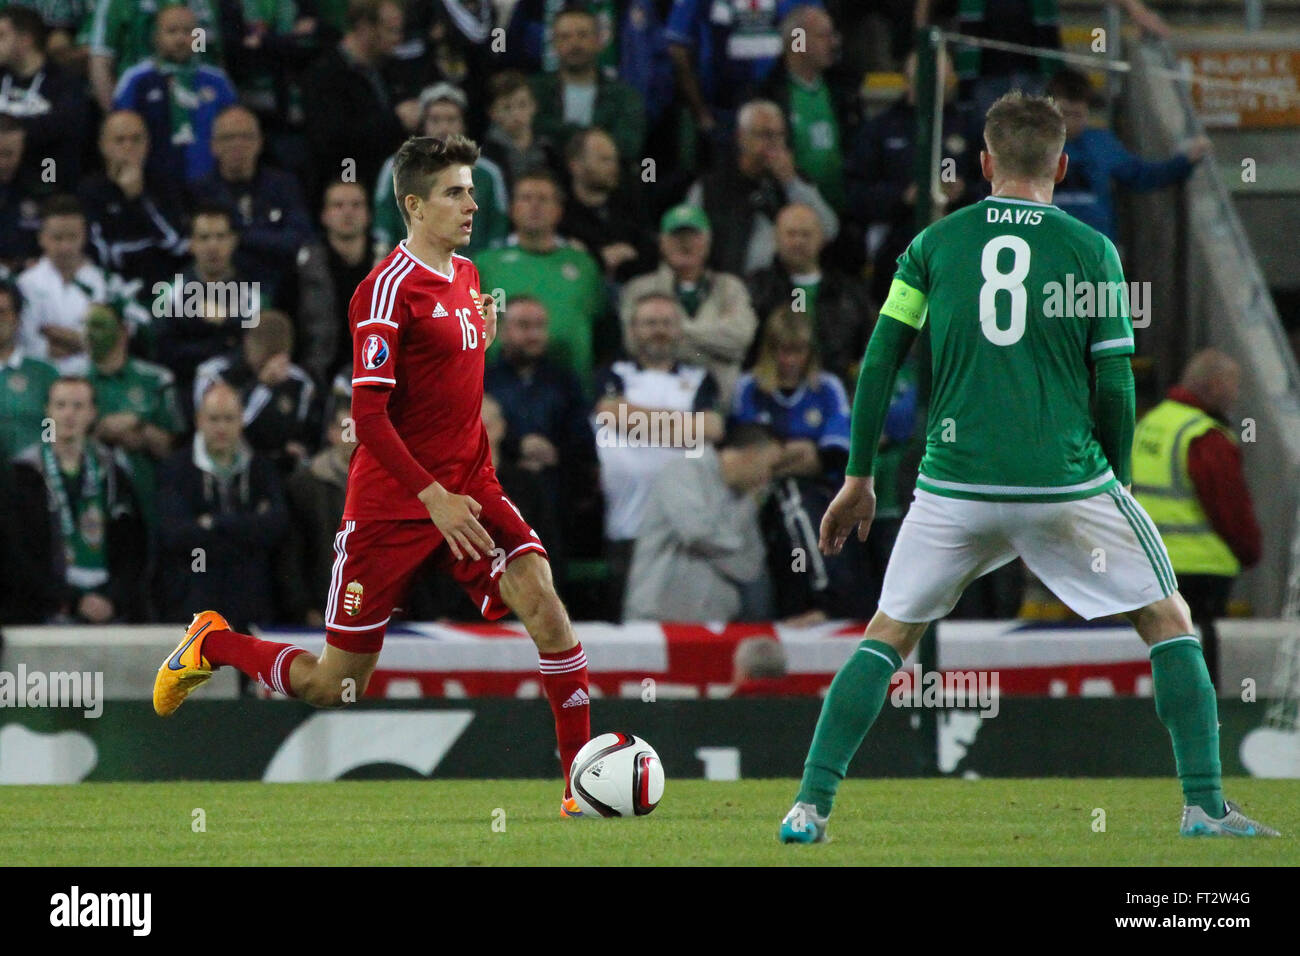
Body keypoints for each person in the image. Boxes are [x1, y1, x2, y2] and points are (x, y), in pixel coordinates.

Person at [779, 92, 1279, 843]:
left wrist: (859, 475)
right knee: (1166, 620)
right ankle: (1204, 806)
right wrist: (1115, 483)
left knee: (887, 635)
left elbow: (882, 356)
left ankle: (809, 807)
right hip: (1063, 483)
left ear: (983, 164)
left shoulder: (933, 245)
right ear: (1063, 164)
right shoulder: (1090, 250)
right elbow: (1115, 381)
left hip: (954, 485)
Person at [152, 134, 595, 819]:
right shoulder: (383, 290)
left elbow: (447, 377)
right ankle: (212, 642)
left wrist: (481, 339)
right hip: (394, 505)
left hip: (471, 488)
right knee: (334, 685)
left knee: (548, 611)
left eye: (473, 190)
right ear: (415, 205)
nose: (472, 204)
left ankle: (580, 789)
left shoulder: (470, 277)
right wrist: (431, 497)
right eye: (455, 192)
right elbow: (368, 416)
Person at [1133, 349, 1261, 688]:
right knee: (1202, 666)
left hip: (1152, 565)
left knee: (1163, 653)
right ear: (1215, 385)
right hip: (1202, 571)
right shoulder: (1205, 436)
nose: (1235, 396)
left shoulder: (1148, 425)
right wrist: (1249, 551)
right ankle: (1204, 732)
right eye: (1233, 386)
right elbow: (1229, 509)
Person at [595, 290, 724, 617]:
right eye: (650, 322)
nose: (659, 330)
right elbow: (610, 413)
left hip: (682, 529)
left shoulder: (700, 378)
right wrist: (683, 428)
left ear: (680, 329)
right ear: (633, 329)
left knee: (683, 623)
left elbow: (712, 429)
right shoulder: (613, 373)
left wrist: (635, 421)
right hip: (625, 525)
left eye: (667, 322)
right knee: (624, 627)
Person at [11, 375, 145, 623]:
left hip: (108, 609)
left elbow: (133, 547)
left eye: (78, 406)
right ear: (47, 411)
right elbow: (19, 554)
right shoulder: (24, 473)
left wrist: (113, 597)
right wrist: (68, 599)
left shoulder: (113, 472)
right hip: (46, 612)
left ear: (92, 413)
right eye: (60, 406)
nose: (68, 415)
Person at [156, 380, 288, 630]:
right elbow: (177, 535)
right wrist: (247, 529)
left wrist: (213, 523)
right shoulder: (176, 470)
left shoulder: (262, 469)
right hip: (194, 606)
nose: (221, 428)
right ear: (199, 420)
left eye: (229, 419)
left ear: (241, 421)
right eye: (214, 419)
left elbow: (276, 526)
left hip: (252, 606)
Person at [623, 421, 777, 622]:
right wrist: (731, 547)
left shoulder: (747, 499)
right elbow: (696, 533)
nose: (768, 477)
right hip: (656, 618)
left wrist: (712, 543)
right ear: (749, 454)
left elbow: (752, 566)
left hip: (714, 622)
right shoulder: (682, 471)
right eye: (769, 467)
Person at [484, 295, 598, 554]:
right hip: (502, 493)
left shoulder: (564, 382)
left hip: (556, 494)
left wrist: (555, 453)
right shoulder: (483, 380)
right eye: (524, 326)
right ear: (501, 331)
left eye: (540, 326)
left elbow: (583, 438)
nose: (534, 335)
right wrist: (517, 447)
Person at [475, 169, 606, 394]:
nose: (535, 206)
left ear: (559, 211)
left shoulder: (584, 265)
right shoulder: (485, 264)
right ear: (512, 209)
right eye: (526, 198)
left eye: (544, 199)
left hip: (572, 391)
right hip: (499, 390)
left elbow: (602, 326)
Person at [1047, 68, 1210, 242]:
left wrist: (1184, 161)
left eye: (1077, 115)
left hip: (1095, 246)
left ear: (1087, 113)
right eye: (1064, 113)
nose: (1069, 122)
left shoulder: (1102, 143)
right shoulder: (1034, 144)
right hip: (1048, 243)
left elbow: (1141, 175)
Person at [619, 203, 756, 405]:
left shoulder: (730, 287)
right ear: (662, 243)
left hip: (724, 404)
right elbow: (634, 344)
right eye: (676, 237)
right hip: (656, 407)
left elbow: (741, 338)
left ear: (708, 241)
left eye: (693, 236)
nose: (685, 244)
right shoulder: (639, 289)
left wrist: (674, 331)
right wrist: (715, 348)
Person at [686, 99, 838, 277]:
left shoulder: (796, 180)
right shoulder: (710, 187)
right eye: (765, 135)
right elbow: (690, 242)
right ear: (741, 137)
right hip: (730, 287)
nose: (774, 143)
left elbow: (828, 230)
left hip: (786, 288)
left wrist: (792, 183)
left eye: (779, 135)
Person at [189, 105, 314, 301]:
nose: (237, 144)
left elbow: (300, 239)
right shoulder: (198, 192)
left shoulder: (283, 185)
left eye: (246, 136)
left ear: (260, 142)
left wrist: (240, 235)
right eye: (228, 137)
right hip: (216, 293)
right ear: (213, 146)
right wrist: (263, 238)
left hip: (279, 289)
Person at [372, 82, 509, 256]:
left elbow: (498, 230)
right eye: (435, 120)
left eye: (451, 120)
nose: (444, 128)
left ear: (463, 125)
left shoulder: (488, 174)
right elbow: (383, 226)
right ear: (424, 125)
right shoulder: (397, 168)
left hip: (472, 274)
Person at [82, 303, 186, 531]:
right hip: (89, 503)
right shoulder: (70, 382)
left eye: (99, 326)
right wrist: (100, 431)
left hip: (150, 497)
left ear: (124, 331)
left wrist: (141, 428)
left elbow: (174, 449)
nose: (89, 333)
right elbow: (49, 438)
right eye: (85, 326)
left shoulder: (157, 379)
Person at [299, 0, 412, 207]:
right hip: (348, 188)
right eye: (391, 31)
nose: (399, 39)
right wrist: (395, 121)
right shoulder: (325, 74)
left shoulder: (390, 70)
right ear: (364, 28)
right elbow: (333, 141)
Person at [110, 3, 238, 186]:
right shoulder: (136, 79)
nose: (181, 39)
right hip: (153, 181)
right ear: (156, 37)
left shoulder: (217, 80)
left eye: (188, 32)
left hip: (212, 182)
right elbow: (119, 131)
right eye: (172, 31)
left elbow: (234, 128)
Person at [746, 201, 873, 385]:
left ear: (821, 238)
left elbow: (871, 343)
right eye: (791, 234)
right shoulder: (755, 288)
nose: (798, 241)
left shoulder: (849, 292)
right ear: (776, 238)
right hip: (769, 391)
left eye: (806, 234)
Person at [17, 193, 148, 370]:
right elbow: (24, 338)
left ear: (84, 236)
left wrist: (77, 340)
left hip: (94, 380)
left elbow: (139, 324)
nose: (65, 247)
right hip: (39, 378)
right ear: (41, 237)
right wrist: (85, 342)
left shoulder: (106, 283)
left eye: (72, 237)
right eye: (57, 238)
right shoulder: (24, 284)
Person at [192, 308, 319, 471]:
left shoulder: (300, 383)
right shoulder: (214, 374)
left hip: (277, 466)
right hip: (221, 459)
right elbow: (229, 426)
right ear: (247, 342)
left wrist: (300, 449)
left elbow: (303, 434)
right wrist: (262, 386)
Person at [78, 110, 189, 289]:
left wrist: (138, 199)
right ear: (103, 146)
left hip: (164, 287)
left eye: (136, 139)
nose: (128, 146)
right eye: (120, 140)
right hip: (111, 289)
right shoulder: (90, 191)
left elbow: (178, 244)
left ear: (147, 144)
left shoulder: (165, 185)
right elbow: (94, 251)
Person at [528, 6, 645, 168]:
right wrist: (593, 139)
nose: (574, 43)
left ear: (598, 40)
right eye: (565, 37)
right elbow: (531, 135)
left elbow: (627, 146)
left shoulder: (624, 95)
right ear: (554, 44)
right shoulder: (533, 91)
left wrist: (563, 136)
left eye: (582, 35)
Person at [278, 398, 355, 627]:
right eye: (346, 428)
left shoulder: (391, 484)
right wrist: (303, 607)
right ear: (332, 432)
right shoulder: (305, 485)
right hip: (321, 608)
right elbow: (292, 553)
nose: (354, 436)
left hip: (380, 609)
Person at [293, 180, 375, 385]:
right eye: (338, 206)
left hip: (379, 374)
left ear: (368, 214)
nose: (348, 212)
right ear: (324, 216)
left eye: (356, 205)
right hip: (317, 374)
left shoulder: (391, 265)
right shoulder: (304, 267)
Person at [0, 5, 91, 184]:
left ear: (26, 39)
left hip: (45, 177)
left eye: (1, 36)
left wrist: (19, 133)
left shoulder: (64, 82)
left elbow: (69, 127)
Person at [559, 127, 656, 283]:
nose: (614, 167)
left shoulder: (630, 205)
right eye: (604, 160)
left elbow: (649, 255)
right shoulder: (559, 212)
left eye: (614, 159)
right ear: (575, 165)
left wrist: (590, 255)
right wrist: (602, 257)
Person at [0, 276, 58, 461]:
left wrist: (46, 457)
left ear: (17, 318)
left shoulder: (44, 375)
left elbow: (55, 427)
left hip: (33, 478)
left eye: (2, 312)